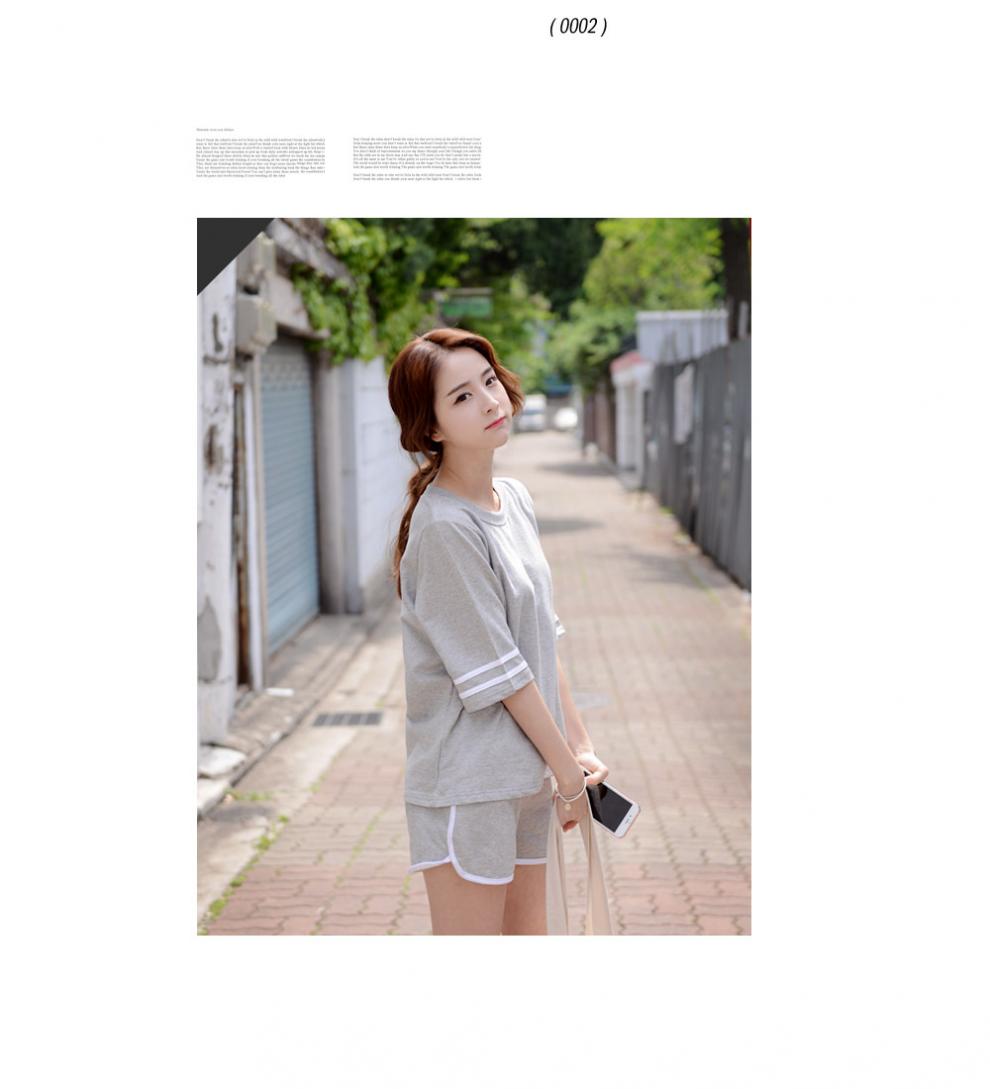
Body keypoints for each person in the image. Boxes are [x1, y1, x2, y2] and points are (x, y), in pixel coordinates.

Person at [387, 327, 609, 935]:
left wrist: (578, 748)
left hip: (525, 776)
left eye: (488, 381)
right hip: (469, 785)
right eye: (461, 396)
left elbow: (540, 638)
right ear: (431, 428)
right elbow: (502, 673)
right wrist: (566, 772)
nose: (490, 401)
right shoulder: (444, 527)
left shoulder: (513, 499)